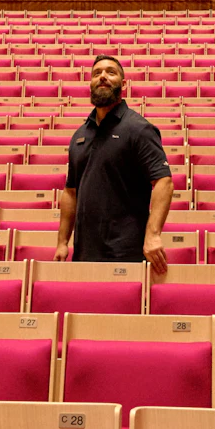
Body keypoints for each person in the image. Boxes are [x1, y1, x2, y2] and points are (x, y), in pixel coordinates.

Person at [55, 55, 173, 271]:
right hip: (84, 252)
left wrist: (153, 235)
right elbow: (70, 191)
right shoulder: (80, 135)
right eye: (97, 73)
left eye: (111, 72)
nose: (102, 77)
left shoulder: (139, 129)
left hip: (126, 252)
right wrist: (63, 242)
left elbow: (164, 181)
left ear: (124, 84)